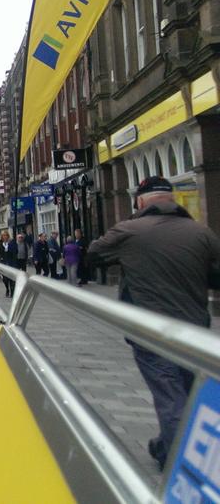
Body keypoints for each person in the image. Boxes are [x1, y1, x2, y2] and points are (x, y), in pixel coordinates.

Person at [88, 176, 220, 471]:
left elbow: (94, 255)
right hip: (195, 328)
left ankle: (183, 466)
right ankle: (166, 445)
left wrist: (129, 261)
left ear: (141, 201)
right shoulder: (201, 232)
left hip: (149, 328)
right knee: (187, 390)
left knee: (169, 394)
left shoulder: (130, 230)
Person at [0, 230, 17, 297]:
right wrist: (0, 257)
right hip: (3, 262)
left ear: (8, 236)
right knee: (5, 279)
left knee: (12, 279)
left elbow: (16, 251)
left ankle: (12, 292)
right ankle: (7, 289)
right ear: (1, 236)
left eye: (6, 235)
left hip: (11, 262)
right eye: (3, 235)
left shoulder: (12, 242)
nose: (5, 237)